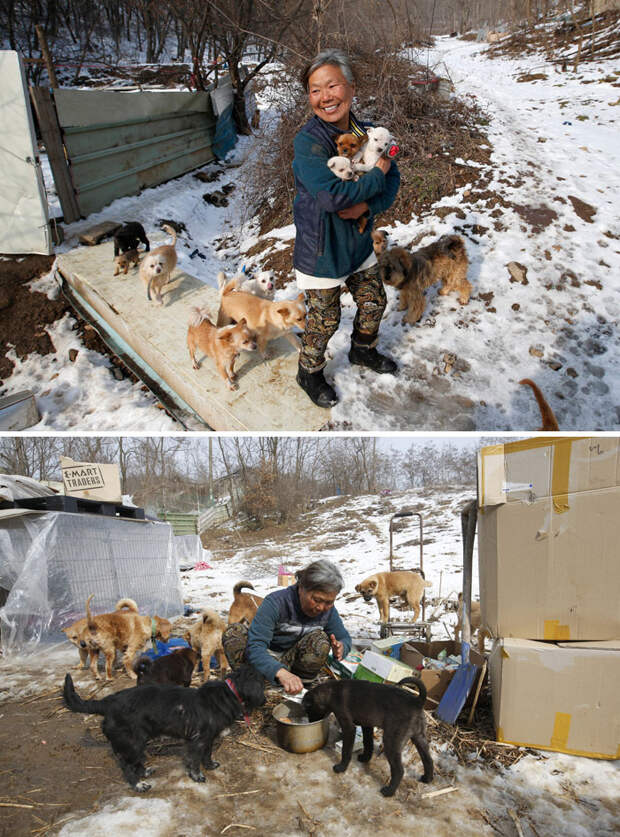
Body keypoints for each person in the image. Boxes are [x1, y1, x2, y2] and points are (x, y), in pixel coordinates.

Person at [292, 48, 401, 409]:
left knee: (374, 301)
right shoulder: (308, 143)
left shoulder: (369, 133)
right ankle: (309, 371)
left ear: (351, 88)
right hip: (321, 249)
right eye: (315, 90)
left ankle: (363, 352)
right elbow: (332, 199)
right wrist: (376, 177)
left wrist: (366, 203)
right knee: (324, 320)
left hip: (357, 241)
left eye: (332, 85)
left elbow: (393, 178)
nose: (325, 97)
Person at [222, 559, 351, 695]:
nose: (321, 607)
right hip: (266, 657)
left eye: (329, 602)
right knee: (233, 633)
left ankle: (301, 687)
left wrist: (342, 647)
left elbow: (343, 637)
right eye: (316, 600)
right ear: (301, 588)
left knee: (320, 639)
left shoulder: (328, 611)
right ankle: (251, 686)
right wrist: (279, 671)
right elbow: (255, 647)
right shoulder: (276, 603)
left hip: (292, 661)